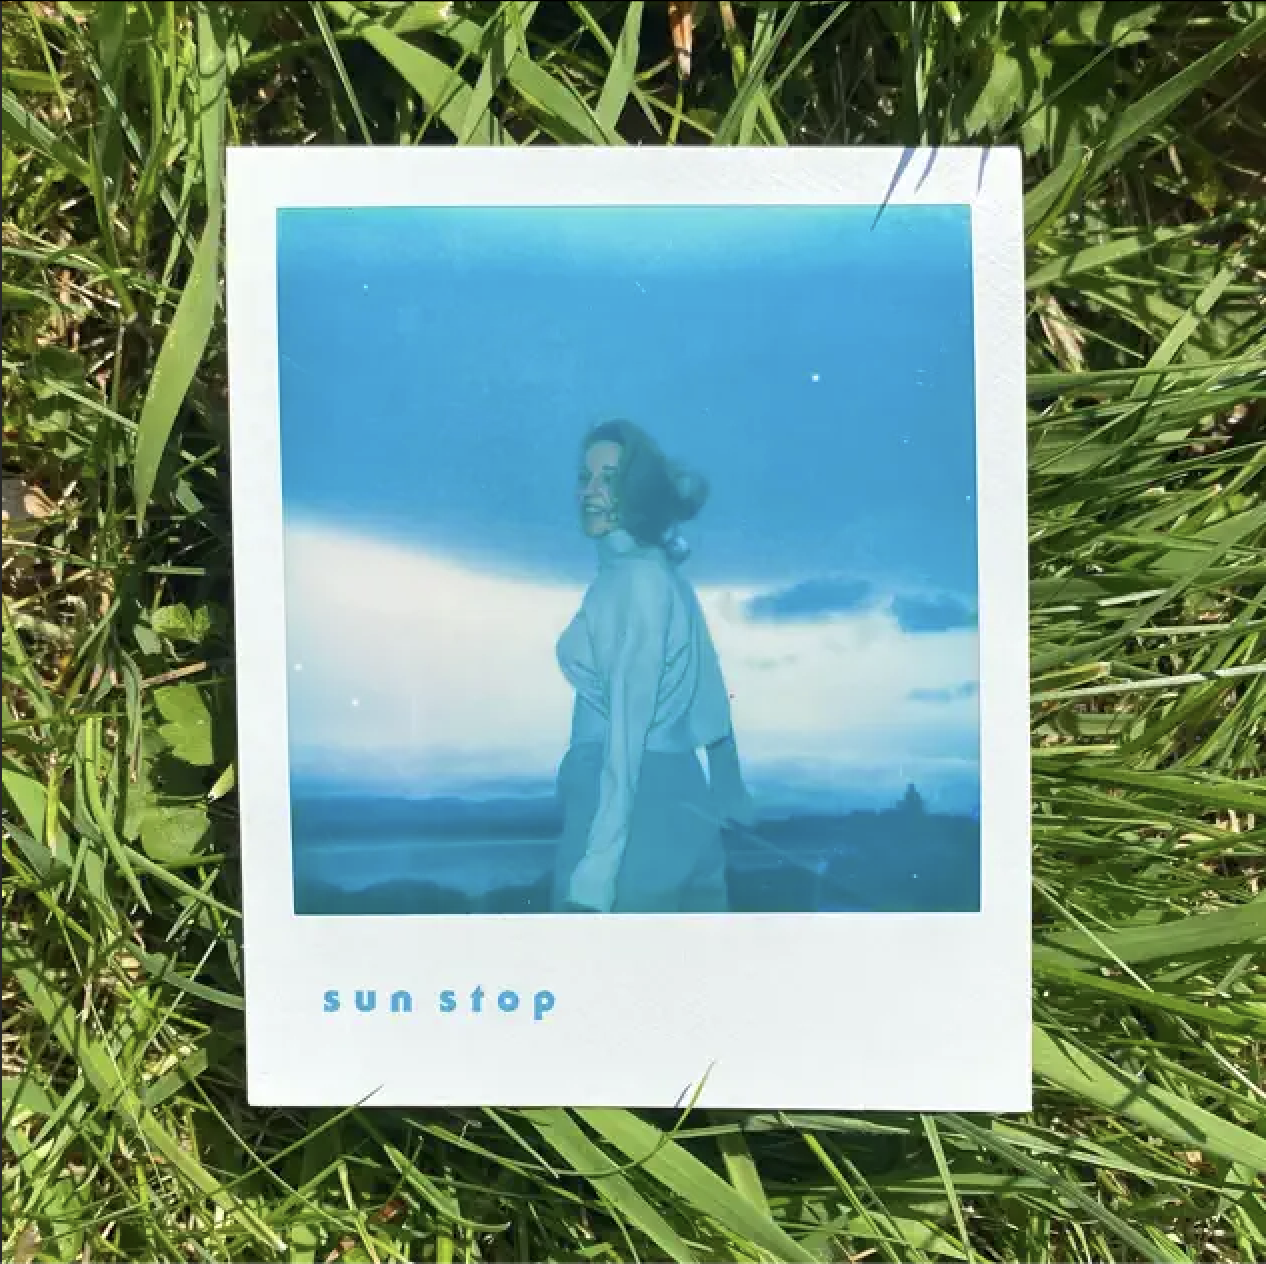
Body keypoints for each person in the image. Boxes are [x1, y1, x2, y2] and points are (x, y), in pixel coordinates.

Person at [553, 420, 754, 914]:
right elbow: (708, 686)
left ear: (638, 490)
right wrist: (726, 783)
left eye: (609, 479)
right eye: (585, 477)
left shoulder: (633, 583)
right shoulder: (659, 575)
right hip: (683, 795)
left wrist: (597, 870)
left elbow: (627, 728)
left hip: (624, 808)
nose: (589, 492)